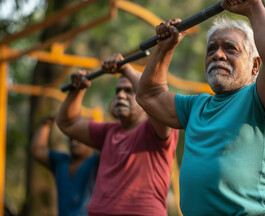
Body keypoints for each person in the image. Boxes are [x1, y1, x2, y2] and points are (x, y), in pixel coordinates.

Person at [137, 0, 265, 215]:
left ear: (254, 66)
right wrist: (165, 48)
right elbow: (149, 95)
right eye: (211, 49)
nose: (218, 55)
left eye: (230, 48)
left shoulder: (260, 99)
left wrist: (253, 6)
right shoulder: (195, 106)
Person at [56, 54, 179, 215]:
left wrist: (126, 69)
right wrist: (77, 91)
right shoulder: (108, 132)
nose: (120, 95)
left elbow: (154, 97)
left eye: (128, 91)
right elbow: (67, 123)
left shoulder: (157, 128)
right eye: (118, 91)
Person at [31, 115, 98, 216]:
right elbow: (37, 150)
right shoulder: (61, 162)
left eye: (79, 138)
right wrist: (46, 124)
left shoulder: (98, 162)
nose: (74, 142)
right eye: (71, 138)